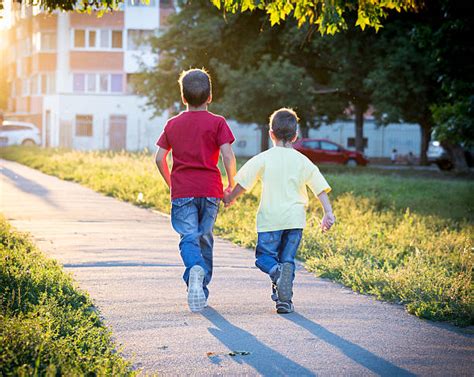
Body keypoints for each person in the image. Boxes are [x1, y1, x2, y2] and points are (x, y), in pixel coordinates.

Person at [224, 108, 335, 314]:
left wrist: (229, 198)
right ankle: (284, 301)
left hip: (270, 220)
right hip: (295, 221)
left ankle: (276, 273)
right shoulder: (303, 161)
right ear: (295, 136)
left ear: (271, 133)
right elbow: (319, 187)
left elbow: (243, 183)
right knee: (287, 262)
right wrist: (328, 213)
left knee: (264, 258)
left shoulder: (263, 158)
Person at [154, 68, 236, 312]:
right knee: (205, 238)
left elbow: (159, 158)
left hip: (183, 192)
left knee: (188, 238)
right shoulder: (218, 122)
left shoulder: (172, 124)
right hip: (211, 191)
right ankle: (202, 288)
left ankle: (194, 271)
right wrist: (230, 184)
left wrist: (172, 183)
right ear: (210, 97)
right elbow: (228, 156)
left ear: (183, 97)